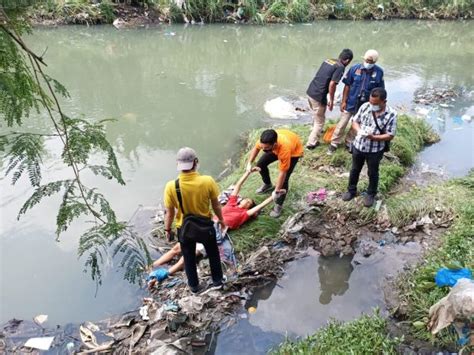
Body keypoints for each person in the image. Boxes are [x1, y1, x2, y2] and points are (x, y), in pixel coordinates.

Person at [149, 168, 284, 284]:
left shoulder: (244, 214)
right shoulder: (231, 203)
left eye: (248, 202)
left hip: (214, 232)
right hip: (202, 224)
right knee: (176, 248)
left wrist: (273, 196)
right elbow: (237, 187)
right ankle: (152, 267)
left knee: (187, 256)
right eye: (245, 199)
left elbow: (259, 206)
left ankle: (164, 274)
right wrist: (247, 173)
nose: (245, 201)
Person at [163, 147, 226, 293]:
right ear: (196, 162)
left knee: (188, 257)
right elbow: (216, 205)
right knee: (213, 254)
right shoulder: (207, 181)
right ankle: (217, 281)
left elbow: (169, 212)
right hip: (205, 226)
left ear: (178, 164)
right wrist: (221, 220)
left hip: (184, 229)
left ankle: (194, 286)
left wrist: (167, 230)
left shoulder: (171, 186)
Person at [341, 88, 397, 207]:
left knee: (373, 172)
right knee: (355, 169)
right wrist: (359, 131)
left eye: (375, 104)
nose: (372, 105)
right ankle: (351, 190)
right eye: (371, 102)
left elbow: (390, 135)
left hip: (375, 149)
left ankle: (371, 193)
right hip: (359, 145)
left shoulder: (391, 114)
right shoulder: (365, 107)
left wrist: (374, 137)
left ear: (384, 102)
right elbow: (355, 121)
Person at [328, 49, 385, 155]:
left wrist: (379, 106)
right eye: (367, 61)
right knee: (342, 123)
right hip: (351, 101)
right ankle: (334, 143)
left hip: (365, 105)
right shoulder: (354, 69)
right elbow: (347, 86)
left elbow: (380, 91)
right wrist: (343, 101)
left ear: (375, 62)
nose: (368, 63)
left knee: (357, 124)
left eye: (370, 62)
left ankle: (349, 141)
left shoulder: (379, 72)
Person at [246, 128, 303, 218]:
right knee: (260, 164)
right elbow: (256, 148)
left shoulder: (285, 149)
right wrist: (249, 163)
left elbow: (283, 173)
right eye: (262, 147)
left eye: (266, 148)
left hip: (293, 152)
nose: (263, 149)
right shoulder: (264, 142)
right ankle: (267, 184)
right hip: (279, 143)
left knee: (284, 180)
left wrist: (276, 190)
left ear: (274, 144)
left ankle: (278, 204)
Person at [305, 48, 353, 149]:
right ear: (348, 60)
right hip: (319, 95)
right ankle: (311, 143)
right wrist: (331, 99)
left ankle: (315, 129)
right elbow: (332, 84)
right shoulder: (340, 67)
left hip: (311, 91)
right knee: (320, 121)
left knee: (317, 114)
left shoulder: (329, 60)